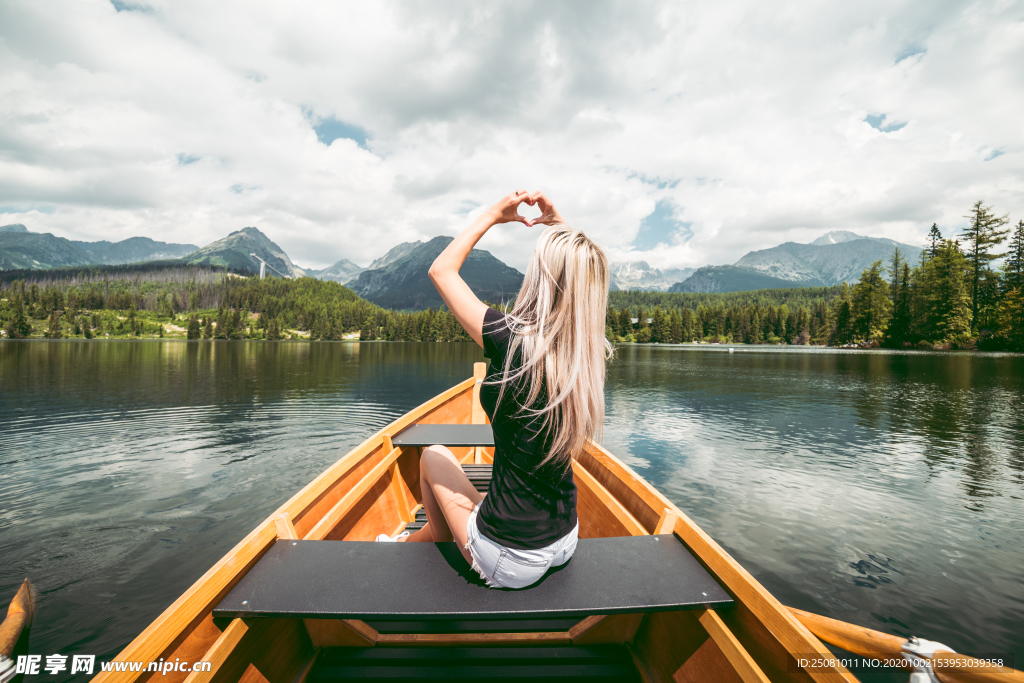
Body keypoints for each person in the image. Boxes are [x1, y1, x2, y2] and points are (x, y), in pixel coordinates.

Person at [376, 190, 613, 590]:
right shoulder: (586, 357)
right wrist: (560, 226)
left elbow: (442, 271)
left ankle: (420, 542)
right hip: (564, 540)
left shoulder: (510, 339)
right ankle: (412, 542)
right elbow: (578, 274)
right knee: (486, 495)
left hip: (510, 559)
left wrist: (494, 214)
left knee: (433, 456)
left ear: (541, 278)